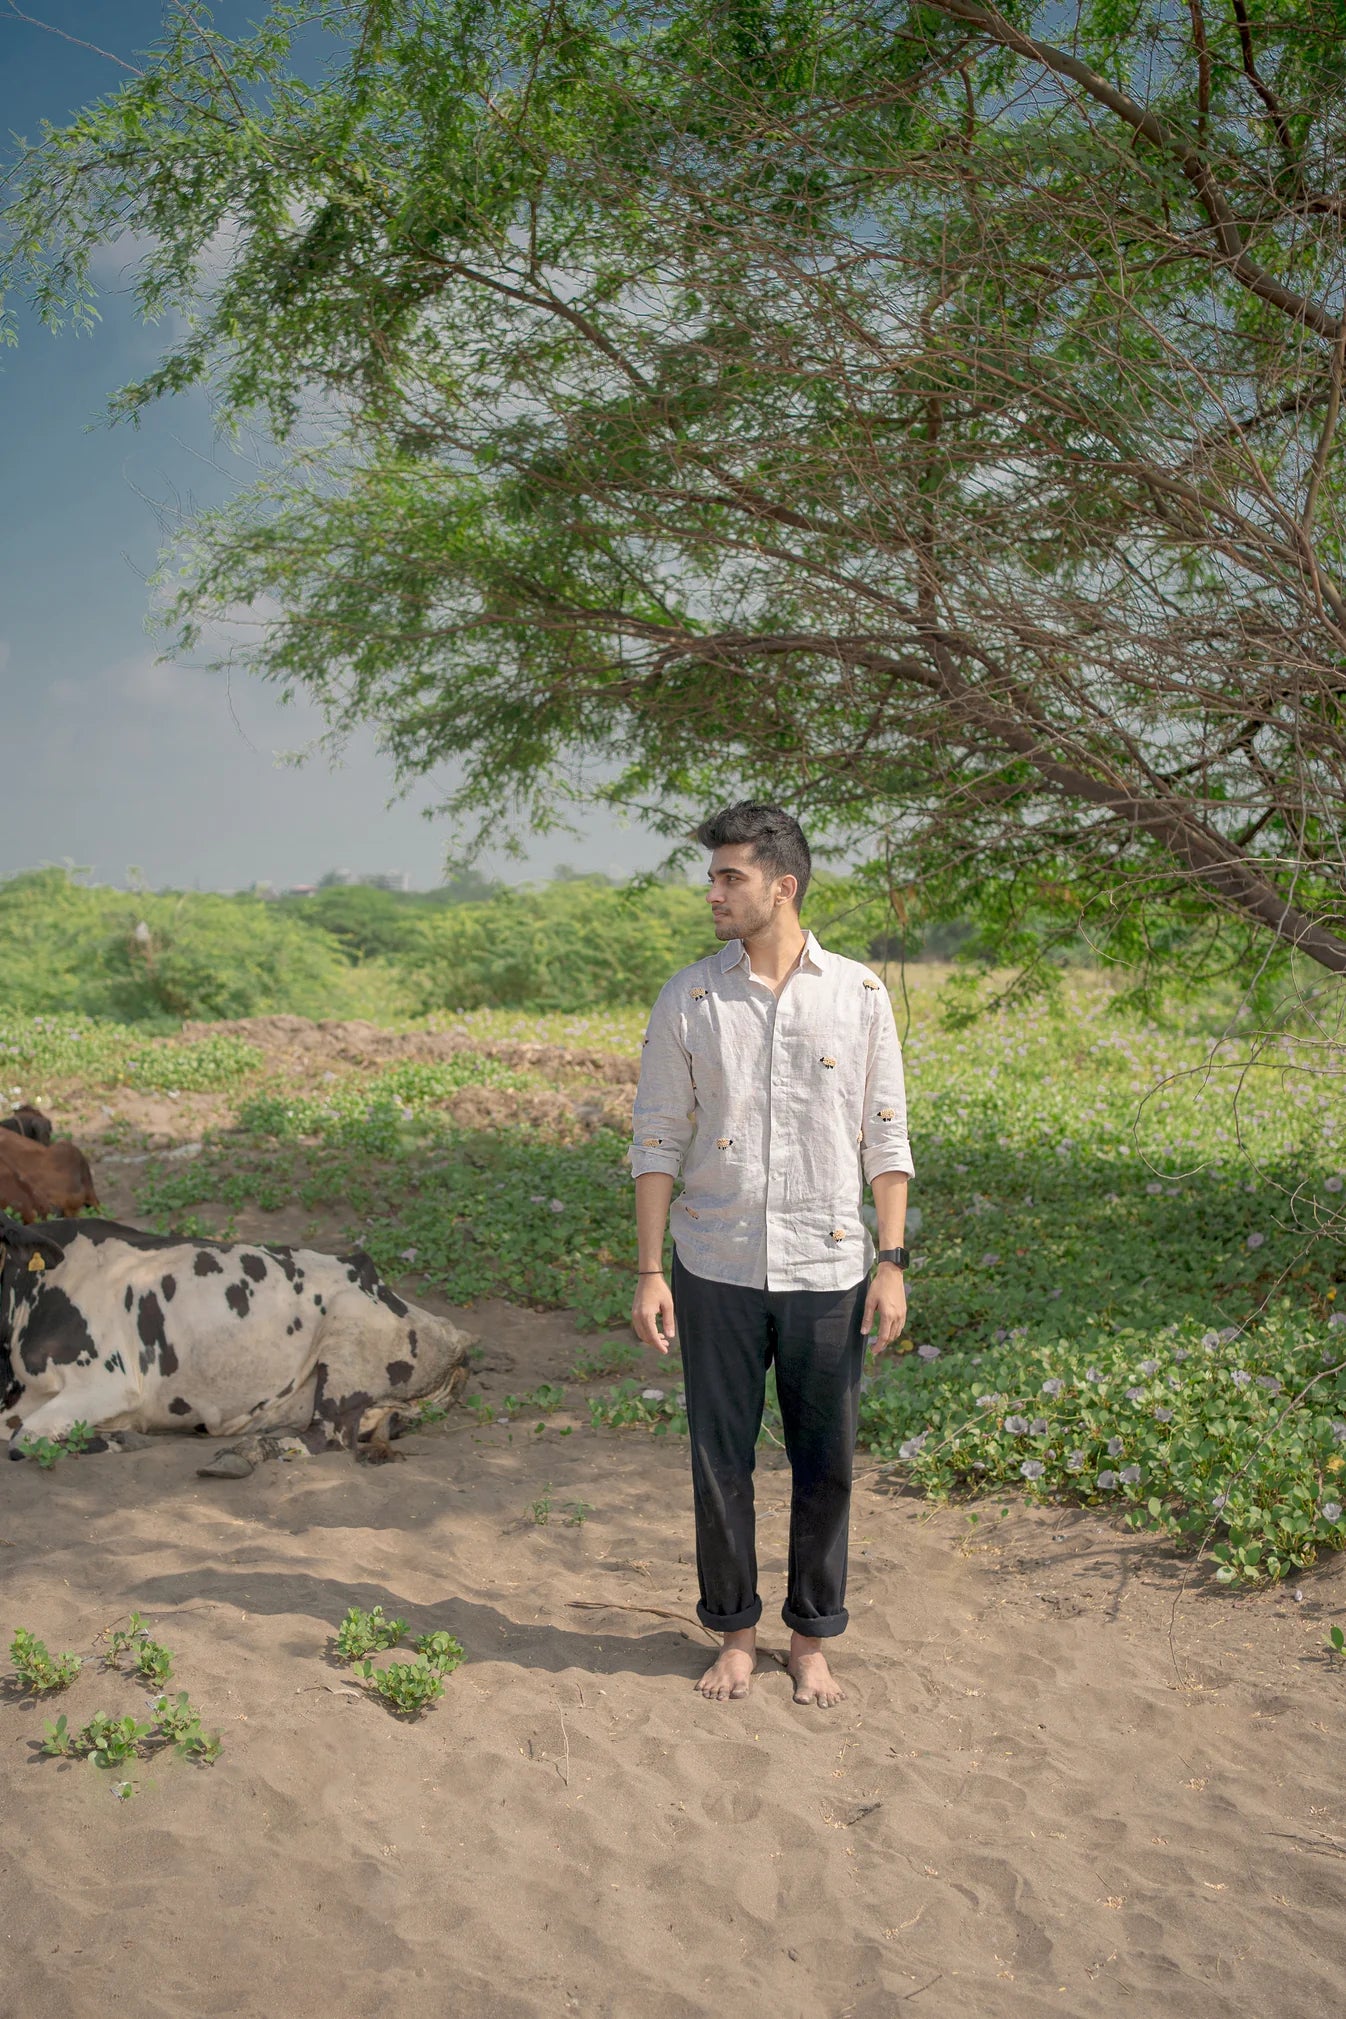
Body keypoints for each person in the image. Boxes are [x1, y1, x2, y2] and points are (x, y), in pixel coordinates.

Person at [629, 803, 914, 1708]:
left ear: (781, 886)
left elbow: (886, 1132)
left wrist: (893, 1259)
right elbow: (656, 1139)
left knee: (825, 1460)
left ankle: (811, 1638)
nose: (713, 891)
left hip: (829, 1266)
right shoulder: (690, 997)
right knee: (720, 1457)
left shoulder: (860, 994)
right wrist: (647, 1273)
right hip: (712, 1263)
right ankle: (737, 1634)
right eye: (712, 875)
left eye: (730, 877)